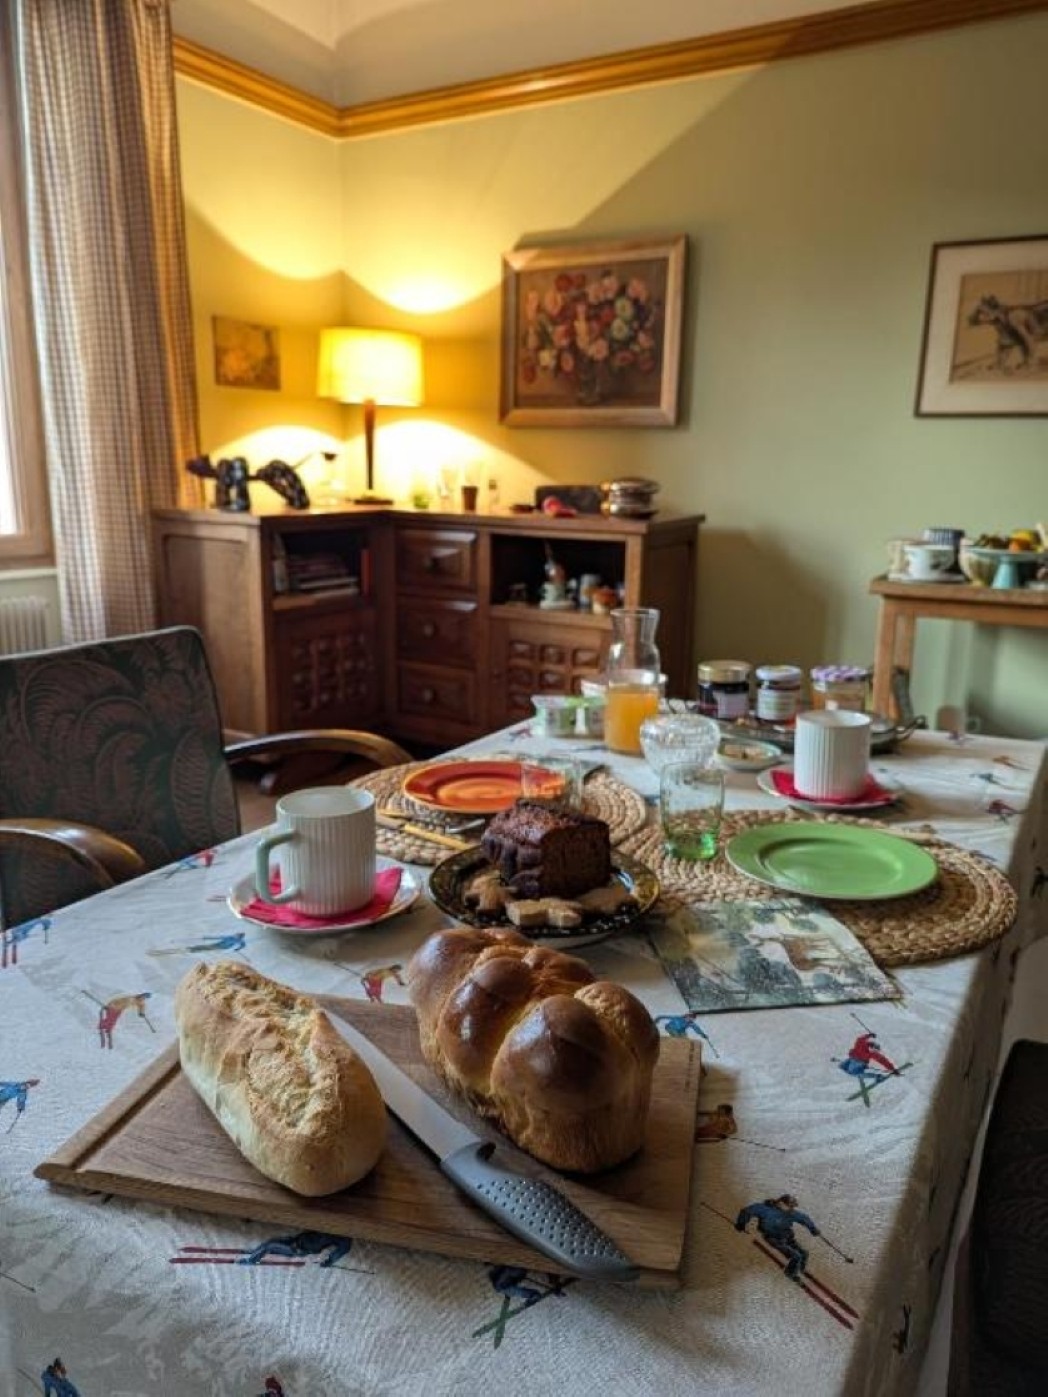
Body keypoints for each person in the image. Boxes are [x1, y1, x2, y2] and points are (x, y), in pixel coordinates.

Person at [736, 1194, 820, 1281]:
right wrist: (741, 1224)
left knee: (804, 1253)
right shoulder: (765, 1209)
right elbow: (747, 1211)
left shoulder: (790, 1213)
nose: (791, 1209)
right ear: (781, 1203)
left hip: (787, 1237)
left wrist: (813, 1229)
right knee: (796, 1256)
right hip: (773, 1238)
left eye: (792, 1207)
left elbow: (804, 1218)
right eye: (789, 1206)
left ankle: (801, 1269)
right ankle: (790, 1273)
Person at [238, 1230, 351, 1268]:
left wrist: (330, 1260)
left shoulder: (341, 1238)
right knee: (270, 1241)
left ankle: (251, 1260)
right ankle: (254, 1252)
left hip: (298, 1250)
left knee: (271, 1246)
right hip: (296, 1240)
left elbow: (343, 1248)